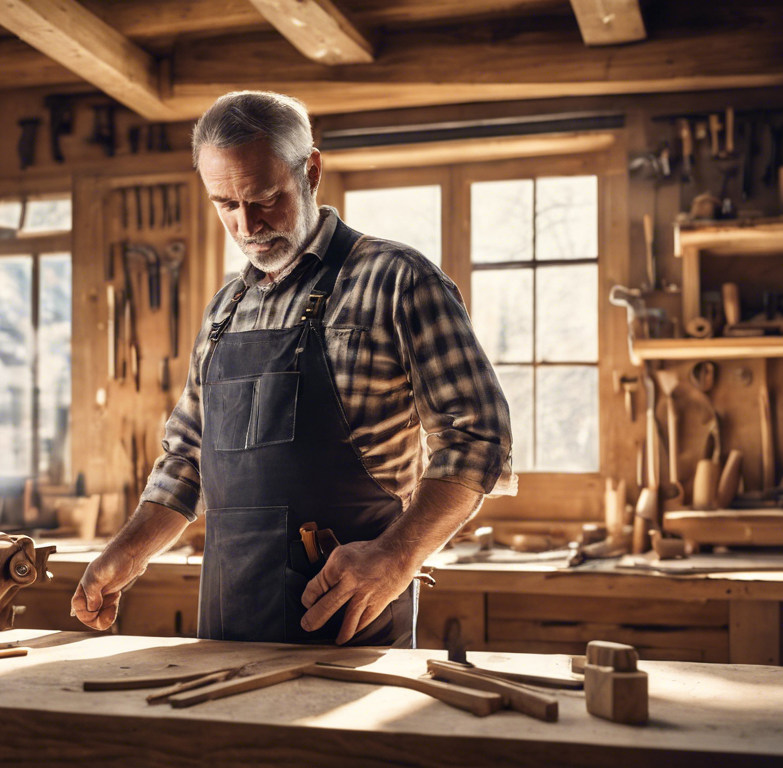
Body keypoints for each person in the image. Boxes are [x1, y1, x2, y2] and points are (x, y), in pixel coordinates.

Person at [72, 91, 515, 647]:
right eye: (225, 205)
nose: (247, 225)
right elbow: (187, 457)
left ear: (311, 169)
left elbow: (478, 437)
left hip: (348, 619)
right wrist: (127, 551)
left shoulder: (396, 280)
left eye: (264, 198)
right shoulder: (225, 308)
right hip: (228, 621)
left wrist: (398, 556)